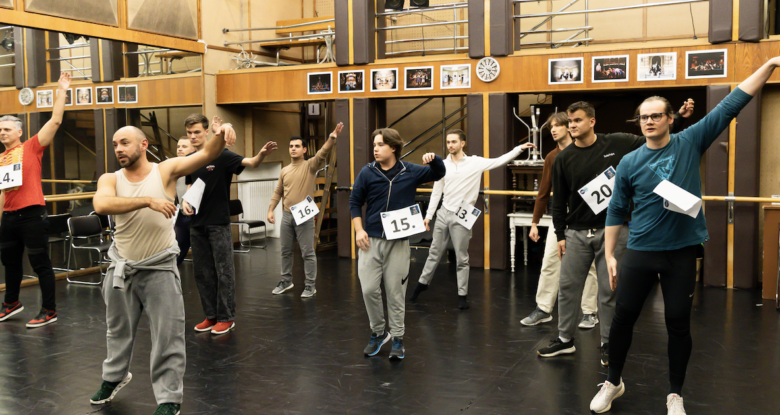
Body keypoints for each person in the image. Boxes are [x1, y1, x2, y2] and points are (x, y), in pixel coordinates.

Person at [589, 56, 780, 415]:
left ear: (670, 118)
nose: (648, 121)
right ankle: (613, 382)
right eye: (643, 117)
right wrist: (611, 254)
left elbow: (733, 102)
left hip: (680, 252)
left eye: (655, 115)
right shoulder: (630, 162)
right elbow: (616, 208)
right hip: (641, 250)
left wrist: (769, 63)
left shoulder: (689, 141)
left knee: (677, 323)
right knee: (622, 319)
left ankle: (675, 394)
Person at [90, 118, 235, 415]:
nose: (119, 149)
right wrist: (148, 201)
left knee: (167, 335)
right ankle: (114, 377)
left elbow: (208, 154)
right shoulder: (110, 179)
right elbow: (101, 205)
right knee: (117, 332)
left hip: (158, 268)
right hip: (122, 269)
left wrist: (221, 133)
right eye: (115, 145)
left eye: (125, 143)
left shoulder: (165, 170)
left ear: (143, 144)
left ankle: (169, 399)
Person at [537, 98, 694, 365]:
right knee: (568, 287)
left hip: (613, 231)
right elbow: (558, 200)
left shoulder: (618, 142)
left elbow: (654, 136)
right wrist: (560, 234)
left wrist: (678, 117)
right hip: (576, 233)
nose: (572, 125)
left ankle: (608, 342)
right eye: (570, 121)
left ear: (592, 121)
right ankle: (564, 340)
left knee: (609, 290)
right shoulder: (562, 158)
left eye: (577, 120)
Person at [409, 129, 534, 310]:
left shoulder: (475, 162)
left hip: (463, 215)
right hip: (443, 213)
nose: (450, 145)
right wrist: (428, 216)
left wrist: (519, 149)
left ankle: (462, 295)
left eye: (454, 141)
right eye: (448, 142)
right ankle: (422, 284)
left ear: (462, 143)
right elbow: (436, 192)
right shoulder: (442, 165)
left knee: (462, 258)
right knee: (434, 252)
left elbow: (499, 160)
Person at [350, 128, 445, 360]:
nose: (375, 148)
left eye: (380, 144)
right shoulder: (367, 172)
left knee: (395, 292)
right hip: (371, 241)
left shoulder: (409, 171)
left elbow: (439, 172)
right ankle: (378, 332)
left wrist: (434, 158)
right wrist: (359, 230)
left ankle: (398, 338)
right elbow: (354, 202)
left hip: (398, 243)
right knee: (369, 289)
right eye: (374, 144)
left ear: (393, 147)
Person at [182, 114, 276, 336]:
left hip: (218, 223)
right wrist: (185, 201)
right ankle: (211, 315)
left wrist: (261, 154)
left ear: (207, 132)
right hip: (197, 224)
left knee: (224, 271)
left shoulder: (222, 155)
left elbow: (251, 163)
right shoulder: (189, 159)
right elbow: (189, 186)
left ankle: (226, 318)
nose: (193, 136)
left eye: (197, 132)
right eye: (189, 133)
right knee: (202, 273)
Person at [0, 72, 70, 328]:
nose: (2, 133)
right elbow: (3, 193)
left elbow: (55, 120)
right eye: (0, 130)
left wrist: (62, 90)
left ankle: (49, 310)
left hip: (32, 215)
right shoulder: (1, 159)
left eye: (7, 129)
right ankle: (11, 303)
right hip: (9, 218)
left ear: (19, 131)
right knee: (9, 263)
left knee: (40, 264)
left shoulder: (31, 146)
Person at [520, 113, 599, 328]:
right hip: (560, 217)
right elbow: (544, 191)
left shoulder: (585, 150)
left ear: (568, 127)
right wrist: (535, 222)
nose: (553, 130)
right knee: (550, 262)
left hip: (586, 216)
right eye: (551, 127)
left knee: (589, 266)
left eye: (557, 125)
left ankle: (589, 312)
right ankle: (543, 308)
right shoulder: (552, 157)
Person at [268, 122, 343, 298]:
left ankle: (310, 285)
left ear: (304, 150)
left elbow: (322, 153)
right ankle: (286, 281)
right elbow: (278, 192)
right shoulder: (284, 171)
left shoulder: (310, 165)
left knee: (307, 252)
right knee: (285, 251)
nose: (293, 149)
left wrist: (332, 138)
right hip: (287, 215)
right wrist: (271, 210)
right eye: (291, 146)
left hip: (303, 215)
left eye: (297, 146)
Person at [174, 137, 195, 265]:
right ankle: (171, 274)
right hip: (182, 214)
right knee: (178, 249)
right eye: (178, 146)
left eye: (184, 146)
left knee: (200, 251)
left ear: (193, 149)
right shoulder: (175, 168)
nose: (180, 149)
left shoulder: (197, 166)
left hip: (196, 215)